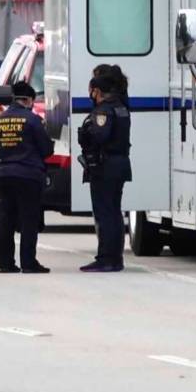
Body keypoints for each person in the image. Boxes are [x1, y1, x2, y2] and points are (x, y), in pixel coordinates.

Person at [0, 80, 54, 273]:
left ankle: (6, 263)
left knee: (6, 219)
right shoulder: (33, 119)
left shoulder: (0, 119)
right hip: (28, 175)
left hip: (5, 174)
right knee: (29, 219)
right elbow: (46, 149)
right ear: (28, 100)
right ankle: (28, 263)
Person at [78, 68, 132, 272]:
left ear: (98, 91)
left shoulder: (103, 110)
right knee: (114, 212)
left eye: (92, 91)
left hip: (105, 165)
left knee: (104, 212)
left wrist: (86, 133)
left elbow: (100, 136)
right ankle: (114, 257)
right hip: (118, 164)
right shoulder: (122, 107)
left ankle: (106, 258)